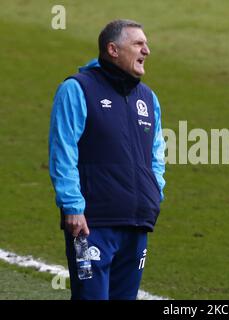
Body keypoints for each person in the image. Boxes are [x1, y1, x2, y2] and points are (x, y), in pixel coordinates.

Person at [48, 19, 166, 300]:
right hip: (91, 224)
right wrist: (72, 206)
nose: (146, 50)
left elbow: (156, 155)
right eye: (138, 43)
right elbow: (63, 150)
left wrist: (154, 192)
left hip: (136, 223)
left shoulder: (148, 99)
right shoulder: (78, 89)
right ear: (113, 49)